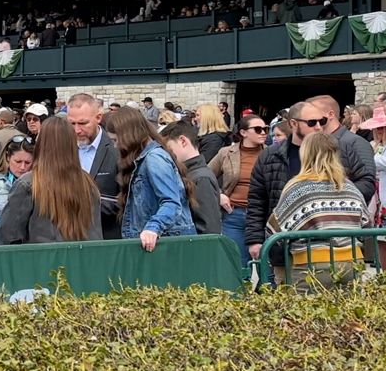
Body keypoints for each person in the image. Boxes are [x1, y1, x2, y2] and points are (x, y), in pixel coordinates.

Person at [267, 133, 369, 290]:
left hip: (311, 265)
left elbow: (276, 231)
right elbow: (367, 226)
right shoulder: (350, 187)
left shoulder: (297, 188)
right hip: (352, 262)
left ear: (305, 154)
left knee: (307, 312)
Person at [0, 117, 101, 244]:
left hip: (41, 260)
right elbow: (95, 234)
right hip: (80, 259)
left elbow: (9, 233)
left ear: (42, 143)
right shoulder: (87, 183)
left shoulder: (29, 183)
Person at [105, 107, 196, 250]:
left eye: (116, 140)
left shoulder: (154, 158)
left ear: (128, 136)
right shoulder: (148, 158)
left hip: (166, 245)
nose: (115, 146)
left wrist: (152, 228)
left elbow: (171, 203)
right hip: (160, 243)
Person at [208, 115, 268, 264]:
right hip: (234, 214)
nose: (264, 133)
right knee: (236, 262)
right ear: (243, 132)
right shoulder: (226, 153)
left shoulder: (272, 153)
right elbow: (205, 177)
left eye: (266, 129)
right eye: (258, 129)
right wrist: (219, 195)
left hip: (264, 215)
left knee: (268, 265)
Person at [66, 94, 122, 240]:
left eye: (83, 123)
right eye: (72, 124)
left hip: (106, 238)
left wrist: (86, 204)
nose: (77, 130)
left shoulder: (116, 149)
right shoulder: (62, 147)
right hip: (69, 238)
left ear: (98, 118)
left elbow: (128, 201)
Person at [158, 122, 223, 236]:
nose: (166, 154)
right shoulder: (192, 174)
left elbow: (209, 228)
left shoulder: (201, 178)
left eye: (168, 148)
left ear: (183, 141)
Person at [363, 102, 386, 268]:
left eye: (383, 127)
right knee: (380, 238)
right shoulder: (372, 145)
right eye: (377, 128)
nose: (379, 131)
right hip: (377, 196)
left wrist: (375, 161)